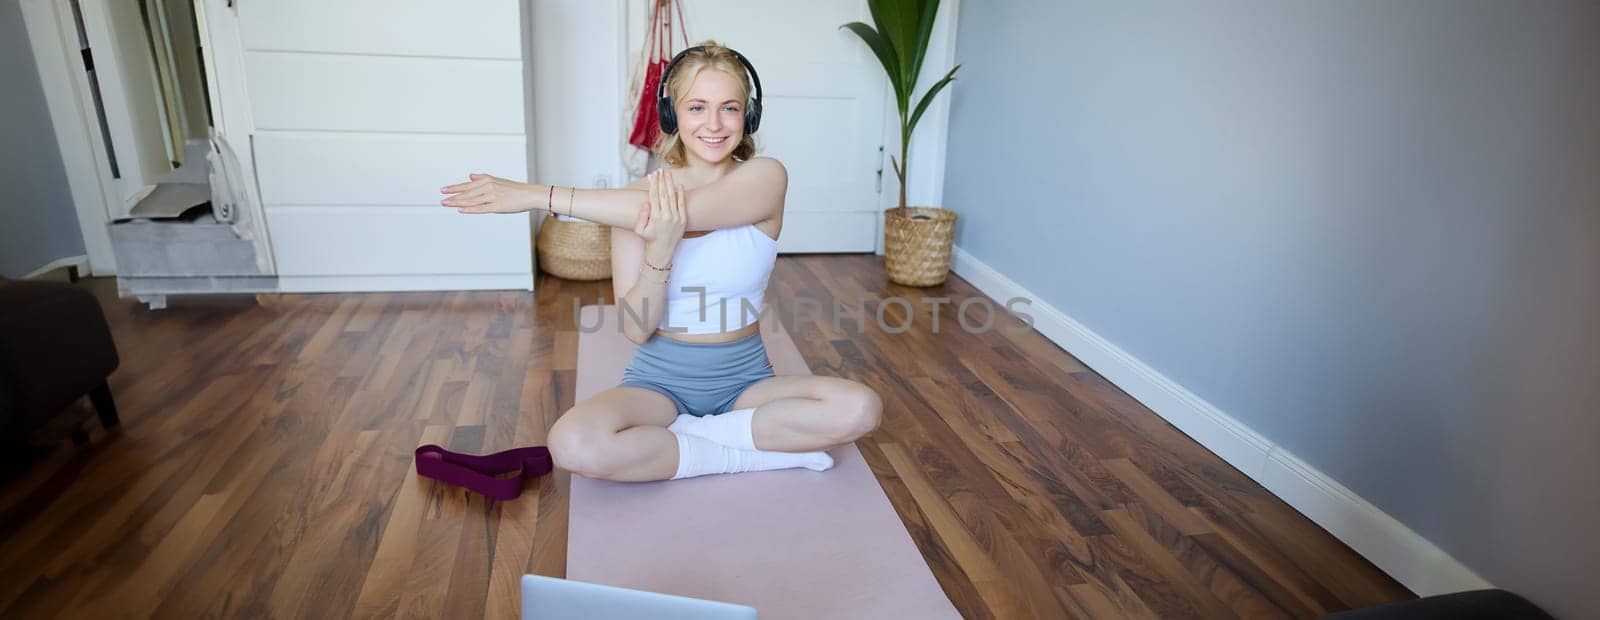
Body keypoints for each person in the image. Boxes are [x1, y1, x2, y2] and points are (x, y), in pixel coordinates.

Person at [440, 42, 882, 482]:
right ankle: (747, 452)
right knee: (571, 443)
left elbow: (672, 211)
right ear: (672, 115)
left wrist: (535, 195)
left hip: (746, 382)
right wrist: (660, 252)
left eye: (729, 108)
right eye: (697, 107)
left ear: (749, 116)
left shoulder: (766, 177)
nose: (713, 124)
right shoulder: (629, 200)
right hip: (659, 384)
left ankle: (688, 439)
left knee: (861, 408)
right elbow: (636, 328)